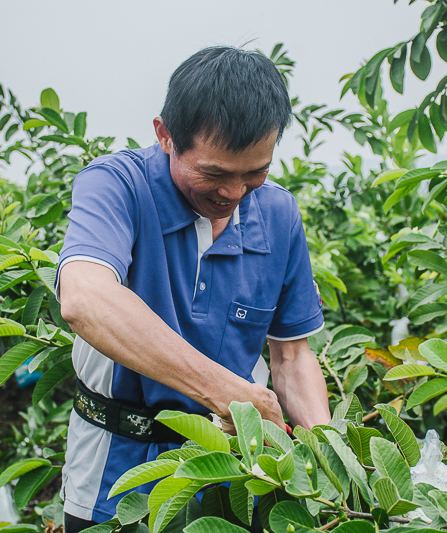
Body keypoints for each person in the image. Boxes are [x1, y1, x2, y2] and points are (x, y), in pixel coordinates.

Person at [55, 46, 331, 532]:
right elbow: (85, 298)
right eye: (214, 173)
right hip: (111, 472)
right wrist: (230, 394)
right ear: (165, 135)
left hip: (238, 477)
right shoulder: (116, 185)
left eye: (255, 172)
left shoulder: (279, 214)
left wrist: (331, 462)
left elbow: (291, 357)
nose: (234, 193)